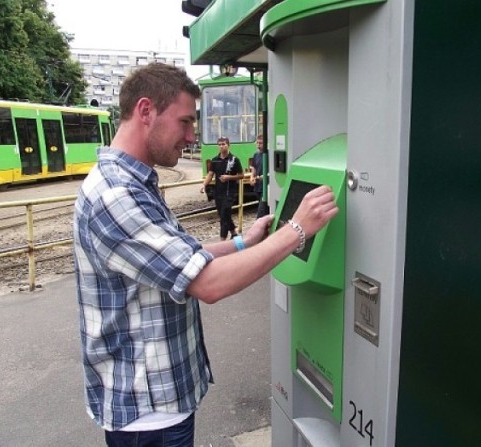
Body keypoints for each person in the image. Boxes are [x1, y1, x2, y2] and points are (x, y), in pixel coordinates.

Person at [72, 63, 338, 447]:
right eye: (185, 122)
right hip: (149, 415)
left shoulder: (134, 182)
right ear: (146, 111)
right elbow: (207, 283)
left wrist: (247, 242)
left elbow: (182, 255)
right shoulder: (116, 196)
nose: (192, 136)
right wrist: (297, 230)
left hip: (157, 405)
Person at [200, 137, 244, 240]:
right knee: (223, 215)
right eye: (219, 144)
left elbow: (241, 175)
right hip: (218, 192)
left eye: (223, 144)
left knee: (224, 214)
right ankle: (233, 232)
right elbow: (210, 175)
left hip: (229, 192)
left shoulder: (234, 159)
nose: (221, 146)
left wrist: (229, 177)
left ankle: (222, 239)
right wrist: (204, 185)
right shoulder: (215, 160)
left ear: (228, 145)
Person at [249, 134, 269, 218]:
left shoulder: (269, 154)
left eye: (260, 143)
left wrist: (265, 176)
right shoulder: (256, 155)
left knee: (261, 211)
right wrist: (251, 177)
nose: (258, 145)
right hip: (258, 186)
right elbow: (254, 167)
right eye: (257, 143)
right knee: (265, 210)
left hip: (267, 186)